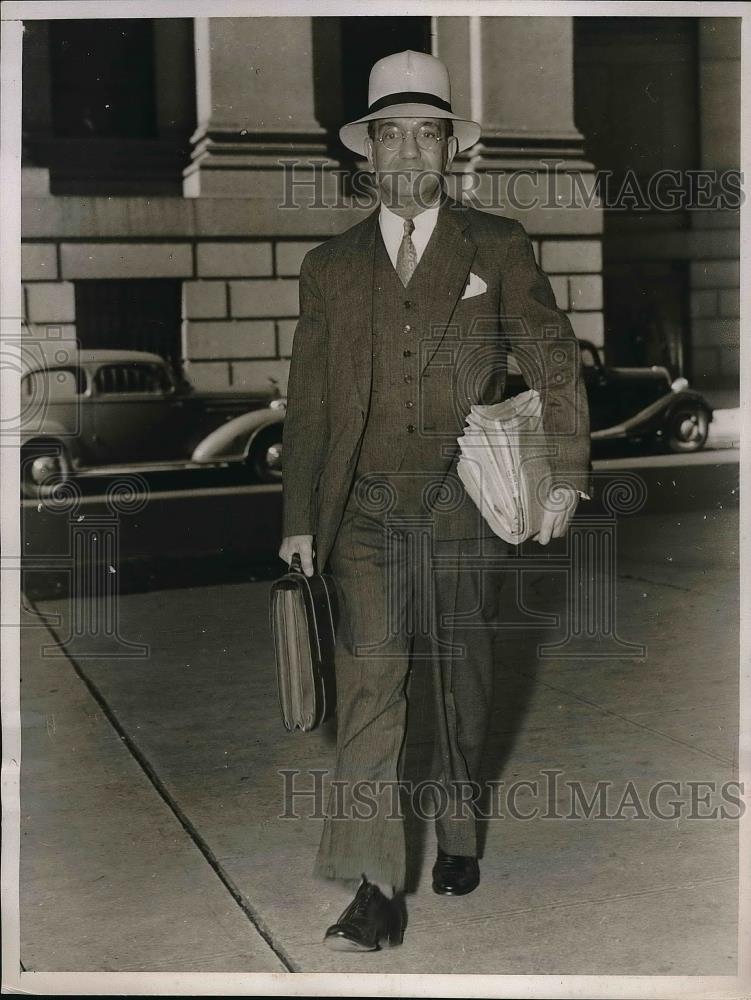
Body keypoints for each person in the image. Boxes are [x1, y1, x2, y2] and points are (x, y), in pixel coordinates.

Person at [279, 49, 591, 952]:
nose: (409, 154)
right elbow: (307, 405)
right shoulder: (327, 267)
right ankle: (373, 888)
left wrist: (565, 471)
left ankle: (458, 829)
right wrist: (299, 520)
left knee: (460, 682)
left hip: (461, 510)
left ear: (451, 149)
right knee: (372, 690)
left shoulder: (495, 244)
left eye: (427, 134)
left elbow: (552, 357)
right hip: (363, 517)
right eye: (391, 136)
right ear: (366, 154)